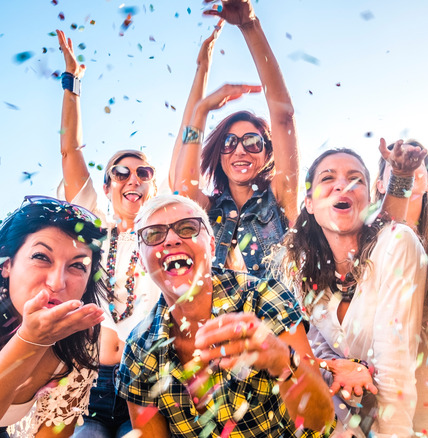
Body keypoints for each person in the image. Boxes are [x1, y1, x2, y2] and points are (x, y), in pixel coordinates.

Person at [277, 148, 428, 437]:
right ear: (310, 204)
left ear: (368, 203)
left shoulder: (396, 244)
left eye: (356, 179)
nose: (343, 185)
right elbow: (315, 351)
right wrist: (340, 365)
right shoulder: (307, 275)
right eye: (328, 177)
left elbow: (394, 365)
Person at [116, 194, 333, 437]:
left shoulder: (263, 297)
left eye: (187, 228)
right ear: (143, 263)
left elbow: (320, 420)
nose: (172, 240)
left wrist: (282, 361)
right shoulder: (139, 349)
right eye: (154, 234)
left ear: (210, 246)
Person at [56, 29, 163, 437]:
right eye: (120, 171)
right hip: (91, 384)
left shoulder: (167, 237)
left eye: (143, 172)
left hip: (151, 385)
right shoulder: (91, 231)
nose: (131, 178)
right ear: (106, 186)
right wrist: (73, 85)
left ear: (154, 185)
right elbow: (71, 151)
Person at [0, 196, 106, 437]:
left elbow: (54, 433)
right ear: (6, 264)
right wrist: (31, 341)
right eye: (41, 257)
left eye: (77, 266)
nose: (57, 283)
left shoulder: (82, 334)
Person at [170, 0, 299, 278]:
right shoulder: (206, 209)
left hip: (275, 320)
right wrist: (201, 111)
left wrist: (249, 26)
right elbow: (182, 187)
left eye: (252, 142)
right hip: (216, 321)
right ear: (219, 154)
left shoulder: (279, 197)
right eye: (229, 143)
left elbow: (283, 117)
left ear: (267, 153)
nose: (240, 151)